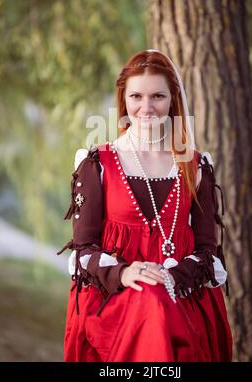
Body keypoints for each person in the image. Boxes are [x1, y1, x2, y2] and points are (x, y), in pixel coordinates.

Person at [57, 49, 233, 362]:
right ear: (123, 98)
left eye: (158, 96)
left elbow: (207, 250)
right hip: (113, 297)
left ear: (173, 100)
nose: (146, 108)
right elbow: (83, 250)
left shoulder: (196, 166)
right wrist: (124, 274)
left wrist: (170, 277)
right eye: (136, 96)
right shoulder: (97, 164)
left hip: (181, 295)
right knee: (150, 302)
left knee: (156, 302)